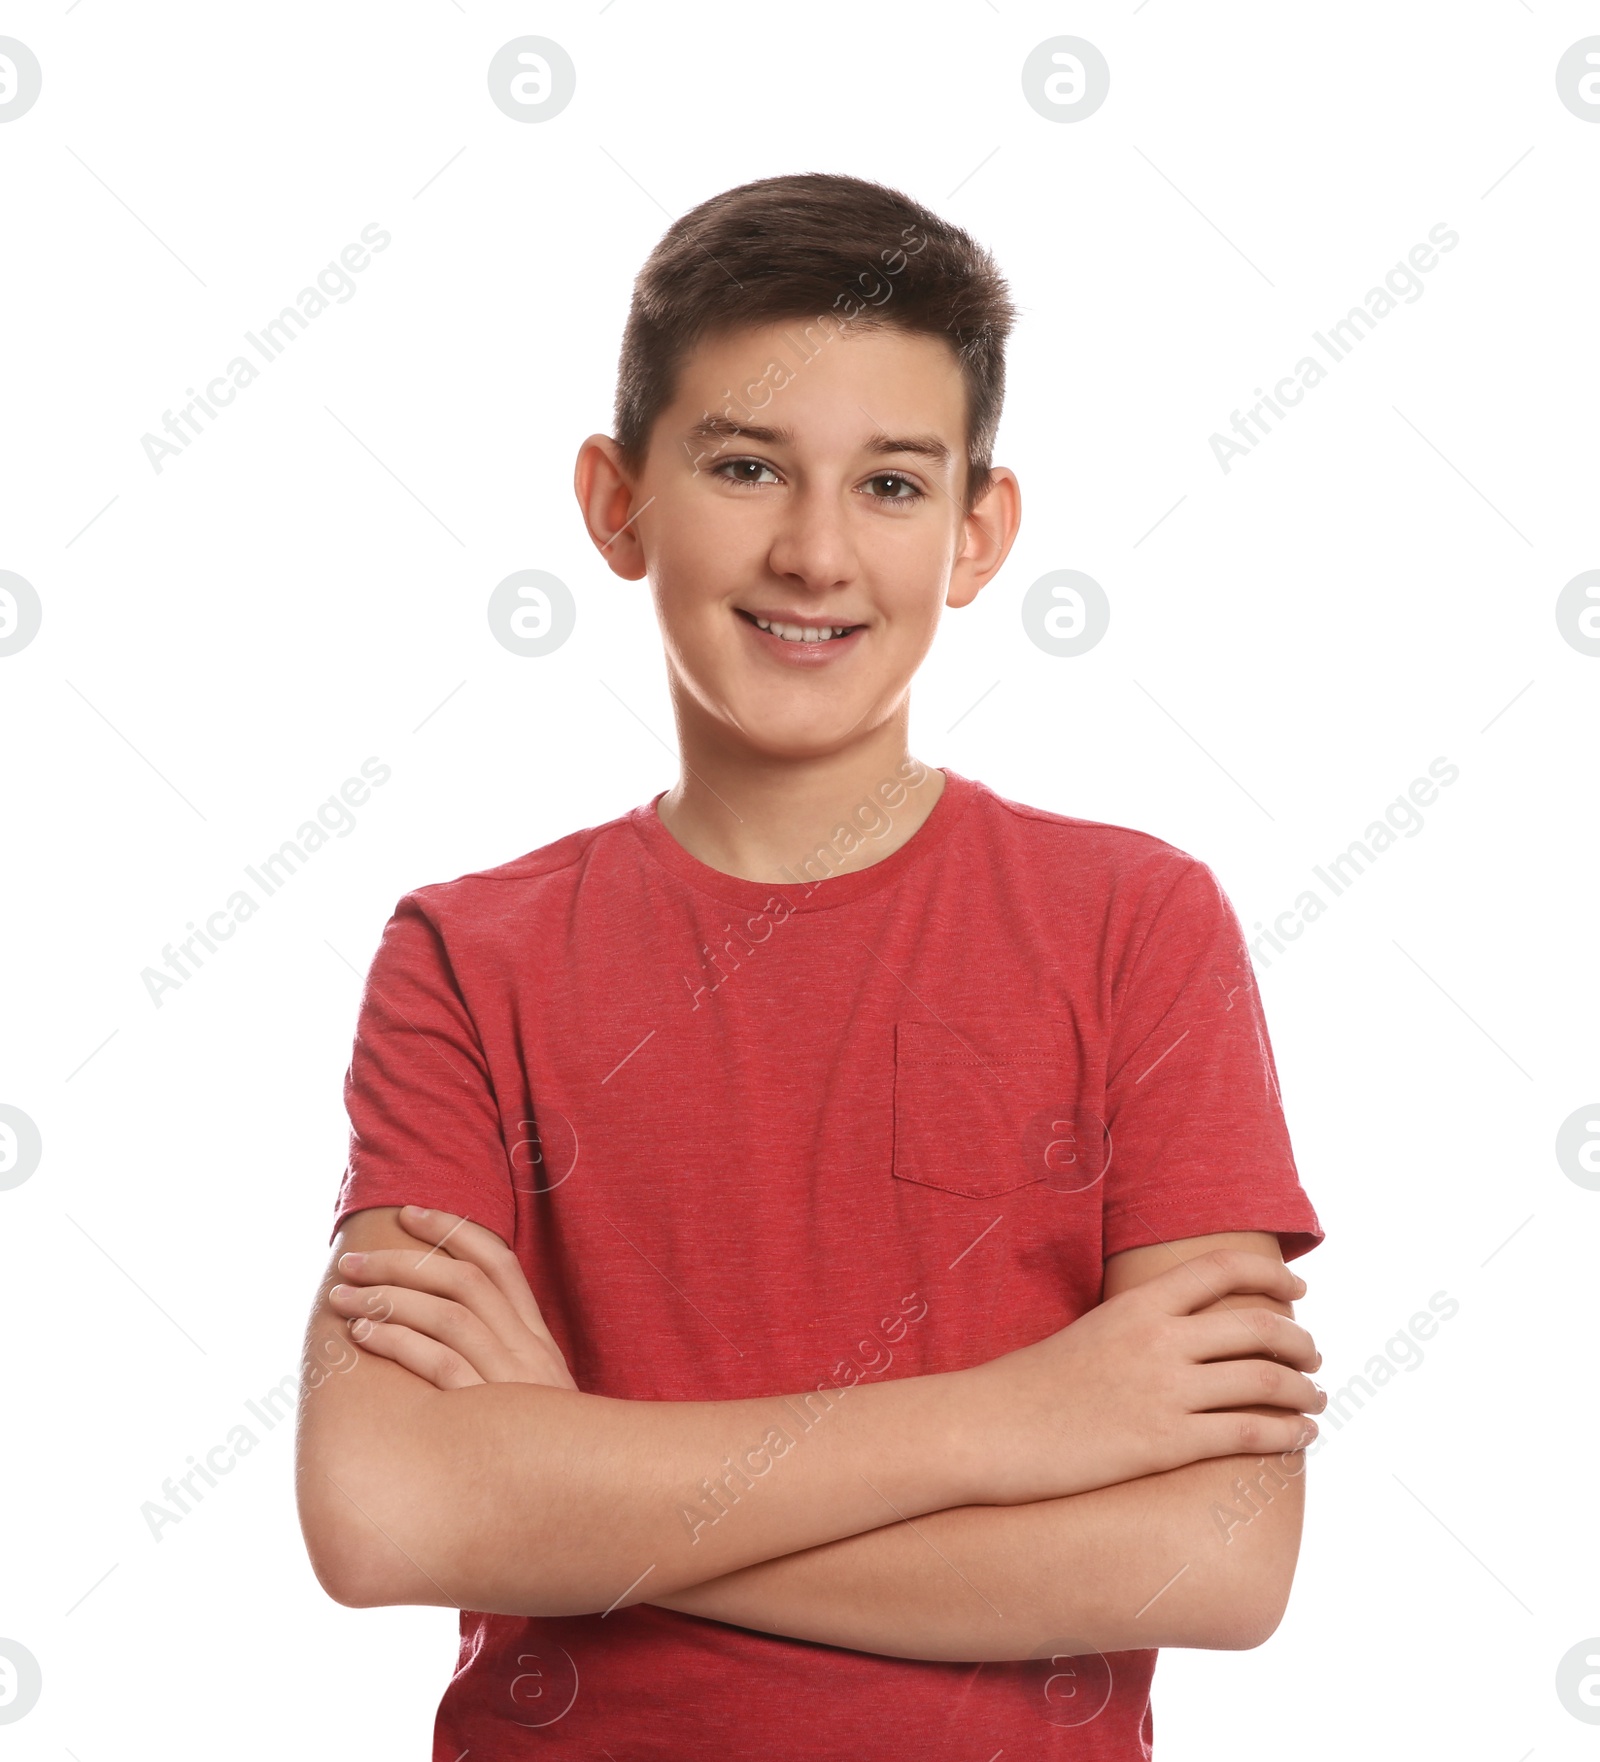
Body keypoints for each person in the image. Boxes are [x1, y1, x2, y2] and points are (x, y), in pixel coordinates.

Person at [294, 170, 1327, 1760]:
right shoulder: (464, 957)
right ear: (616, 498)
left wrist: (575, 1482)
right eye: (745, 465)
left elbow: (1223, 1554)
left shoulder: (1138, 923)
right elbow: (385, 1510)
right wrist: (1026, 1420)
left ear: (981, 531)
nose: (815, 551)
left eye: (894, 485)